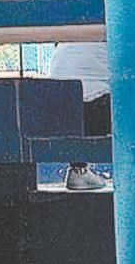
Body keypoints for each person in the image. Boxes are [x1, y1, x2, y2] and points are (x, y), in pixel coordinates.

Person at [47, 42, 112, 190]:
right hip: (92, 112)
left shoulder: (67, 37)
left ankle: (78, 170)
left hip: (54, 113)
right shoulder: (115, 34)